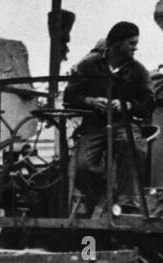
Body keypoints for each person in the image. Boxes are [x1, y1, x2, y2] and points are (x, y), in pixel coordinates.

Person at [63, 21, 155, 215]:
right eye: (131, 43)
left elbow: (148, 103)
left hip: (124, 125)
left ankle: (128, 202)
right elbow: (69, 97)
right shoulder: (87, 67)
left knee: (133, 147)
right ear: (116, 44)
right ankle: (101, 194)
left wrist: (127, 105)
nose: (135, 48)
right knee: (82, 167)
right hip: (93, 126)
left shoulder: (139, 71)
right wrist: (90, 101)